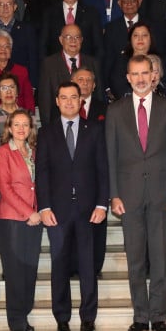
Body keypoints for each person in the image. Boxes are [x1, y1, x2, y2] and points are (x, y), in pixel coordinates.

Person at [106, 54, 166, 331]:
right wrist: (113, 194)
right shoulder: (115, 110)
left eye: (145, 73)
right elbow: (111, 156)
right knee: (135, 258)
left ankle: (159, 316)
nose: (140, 79)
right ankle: (140, 316)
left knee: (161, 257)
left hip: (163, 194)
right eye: (134, 74)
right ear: (128, 77)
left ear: (154, 75)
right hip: (128, 195)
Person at [36, 81, 109, 331]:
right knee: (60, 266)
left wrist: (102, 204)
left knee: (88, 265)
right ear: (56, 101)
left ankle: (88, 319)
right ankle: (62, 319)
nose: (69, 102)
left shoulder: (95, 130)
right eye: (63, 97)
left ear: (81, 100)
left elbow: (102, 170)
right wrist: (43, 206)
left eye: (73, 97)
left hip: (89, 210)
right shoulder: (46, 133)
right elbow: (42, 173)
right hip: (57, 211)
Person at [0, 109, 42, 331]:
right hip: (12, 219)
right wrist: (28, 212)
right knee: (14, 272)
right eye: (17, 125)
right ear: (9, 129)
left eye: (26, 125)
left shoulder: (34, 152)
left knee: (29, 270)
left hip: (34, 219)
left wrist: (39, 211)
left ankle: (24, 315)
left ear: (31, 128)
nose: (21, 129)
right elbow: (6, 189)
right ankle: (16, 322)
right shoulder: (3, 153)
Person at [71, 67, 107, 277]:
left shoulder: (106, 108)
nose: (84, 83)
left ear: (94, 85)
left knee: (96, 224)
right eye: (80, 79)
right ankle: (74, 265)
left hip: (96, 174)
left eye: (88, 80)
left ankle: (95, 267)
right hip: (71, 177)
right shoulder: (63, 108)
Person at [38, 24, 103, 126]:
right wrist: (47, 127)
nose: (73, 41)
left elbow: (99, 95)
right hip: (59, 124)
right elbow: (45, 100)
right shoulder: (49, 64)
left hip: (90, 124)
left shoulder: (92, 62)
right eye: (68, 37)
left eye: (77, 37)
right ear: (60, 40)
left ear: (82, 40)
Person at [39, 0, 103, 62]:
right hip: (56, 67)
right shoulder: (49, 13)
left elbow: (98, 46)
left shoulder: (91, 13)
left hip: (85, 68)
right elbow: (43, 45)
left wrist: (95, 68)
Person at [103, 0, 144, 94]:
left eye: (133, 0)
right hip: (119, 85)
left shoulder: (150, 25)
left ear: (139, 2)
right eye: (125, 1)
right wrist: (107, 86)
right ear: (119, 4)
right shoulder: (111, 28)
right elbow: (108, 58)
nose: (129, 4)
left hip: (145, 80)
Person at [110, 22, 163, 99]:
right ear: (130, 39)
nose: (140, 39)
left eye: (144, 35)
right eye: (136, 35)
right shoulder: (121, 61)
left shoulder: (159, 59)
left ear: (151, 38)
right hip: (129, 104)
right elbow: (117, 87)